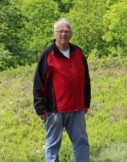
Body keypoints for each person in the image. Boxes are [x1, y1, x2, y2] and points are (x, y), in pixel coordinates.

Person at [33, 18, 91, 162]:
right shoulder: (48, 55)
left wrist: (86, 102)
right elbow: (39, 83)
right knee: (53, 145)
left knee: (81, 142)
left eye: (67, 31)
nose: (63, 34)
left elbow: (86, 80)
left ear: (71, 34)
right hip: (55, 110)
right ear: (54, 34)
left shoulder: (78, 53)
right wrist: (40, 108)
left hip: (77, 109)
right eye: (60, 31)